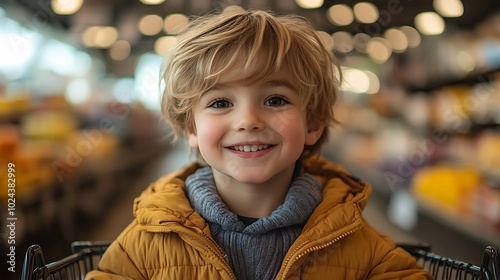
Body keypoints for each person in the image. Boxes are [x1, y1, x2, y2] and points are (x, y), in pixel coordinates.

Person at [86, 8, 433, 280]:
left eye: (275, 100)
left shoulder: (351, 236)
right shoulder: (147, 240)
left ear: (312, 123)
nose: (248, 120)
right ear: (190, 126)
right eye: (221, 103)